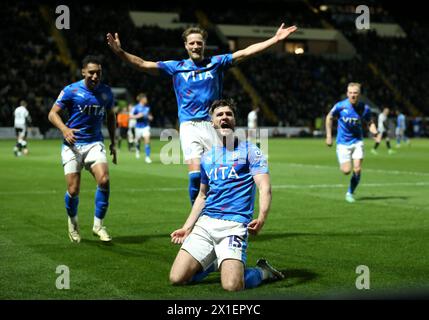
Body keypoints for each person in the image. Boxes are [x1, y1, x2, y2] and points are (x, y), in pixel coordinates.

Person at [107, 23, 297, 205]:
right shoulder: (176, 66)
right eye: (192, 43)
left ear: (204, 44)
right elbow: (142, 64)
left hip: (213, 126)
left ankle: (217, 213)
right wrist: (120, 53)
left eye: (199, 42)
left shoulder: (216, 63)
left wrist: (275, 39)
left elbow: (246, 52)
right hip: (189, 126)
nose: (196, 46)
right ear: (186, 45)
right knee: (196, 175)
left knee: (216, 175)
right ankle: (197, 222)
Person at [169, 99, 284, 291]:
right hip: (206, 224)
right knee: (176, 278)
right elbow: (202, 196)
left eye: (228, 114)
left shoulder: (250, 151)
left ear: (234, 121)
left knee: (232, 286)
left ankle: (262, 271)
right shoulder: (207, 157)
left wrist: (262, 218)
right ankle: (217, 262)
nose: (224, 118)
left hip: (234, 225)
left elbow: (265, 188)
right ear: (212, 123)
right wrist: (187, 227)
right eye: (219, 115)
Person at [48, 55, 117, 243]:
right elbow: (52, 113)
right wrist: (64, 129)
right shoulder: (71, 90)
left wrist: (113, 142)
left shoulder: (106, 92)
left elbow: (111, 117)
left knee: (104, 180)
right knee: (73, 189)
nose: (95, 76)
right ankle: (73, 223)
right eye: (92, 73)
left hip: (95, 142)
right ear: (83, 72)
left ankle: (98, 225)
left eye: (98, 73)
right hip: (72, 145)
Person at [325, 83, 378, 203]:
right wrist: (329, 136)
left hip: (357, 141)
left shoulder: (364, 108)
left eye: (355, 93)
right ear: (347, 93)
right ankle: (344, 164)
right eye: (350, 93)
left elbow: (370, 122)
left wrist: (374, 132)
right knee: (346, 171)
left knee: (357, 169)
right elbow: (329, 117)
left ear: (359, 94)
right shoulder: (340, 106)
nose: (353, 95)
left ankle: (350, 192)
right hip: (343, 143)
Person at [130, 93, 154, 162]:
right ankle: (137, 150)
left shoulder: (147, 108)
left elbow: (150, 116)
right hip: (138, 127)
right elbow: (130, 116)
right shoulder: (135, 107)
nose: (146, 100)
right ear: (141, 99)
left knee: (147, 140)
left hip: (146, 127)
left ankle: (147, 157)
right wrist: (138, 116)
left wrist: (150, 117)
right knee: (137, 141)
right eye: (145, 98)